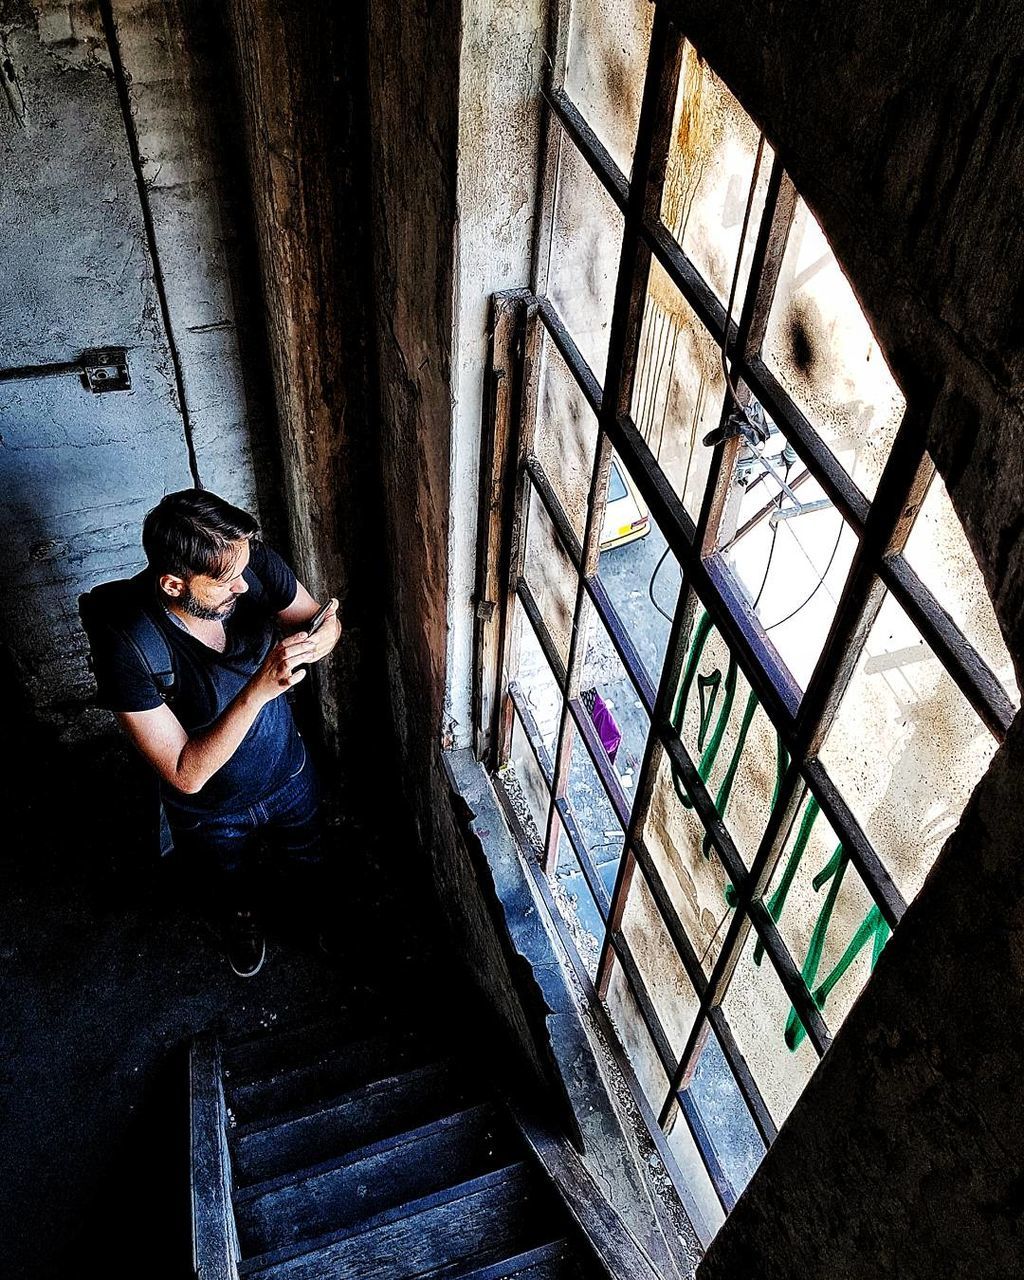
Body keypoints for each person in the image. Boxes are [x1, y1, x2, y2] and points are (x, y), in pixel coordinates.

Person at [89, 488, 342, 977]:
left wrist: (317, 641)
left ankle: (314, 914)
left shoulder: (245, 565)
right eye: (225, 582)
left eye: (243, 570)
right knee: (228, 884)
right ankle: (242, 920)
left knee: (309, 856)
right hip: (210, 811)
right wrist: (260, 689)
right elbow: (184, 774)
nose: (243, 587)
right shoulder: (129, 644)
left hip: (288, 771)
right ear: (173, 585)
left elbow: (320, 620)